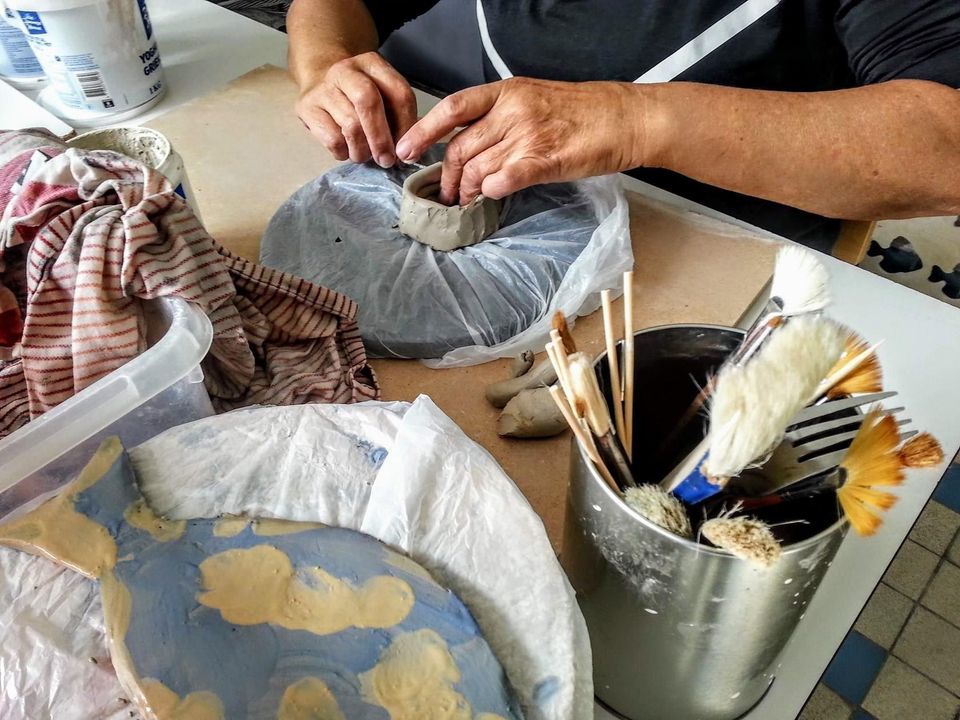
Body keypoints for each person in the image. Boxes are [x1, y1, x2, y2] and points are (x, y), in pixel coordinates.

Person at [286, 0, 960, 250]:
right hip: (520, 207)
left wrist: (635, 120)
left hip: (726, 248)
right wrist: (325, 63)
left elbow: (945, 146)